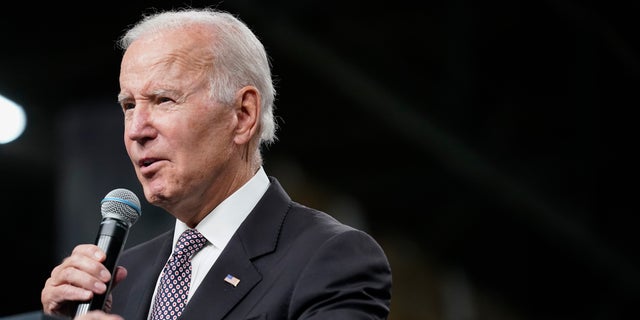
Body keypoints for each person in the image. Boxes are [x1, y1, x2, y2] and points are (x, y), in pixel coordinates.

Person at [40, 7, 392, 320]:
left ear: (242, 115)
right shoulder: (123, 275)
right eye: (129, 106)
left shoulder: (330, 257)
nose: (136, 130)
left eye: (163, 100)